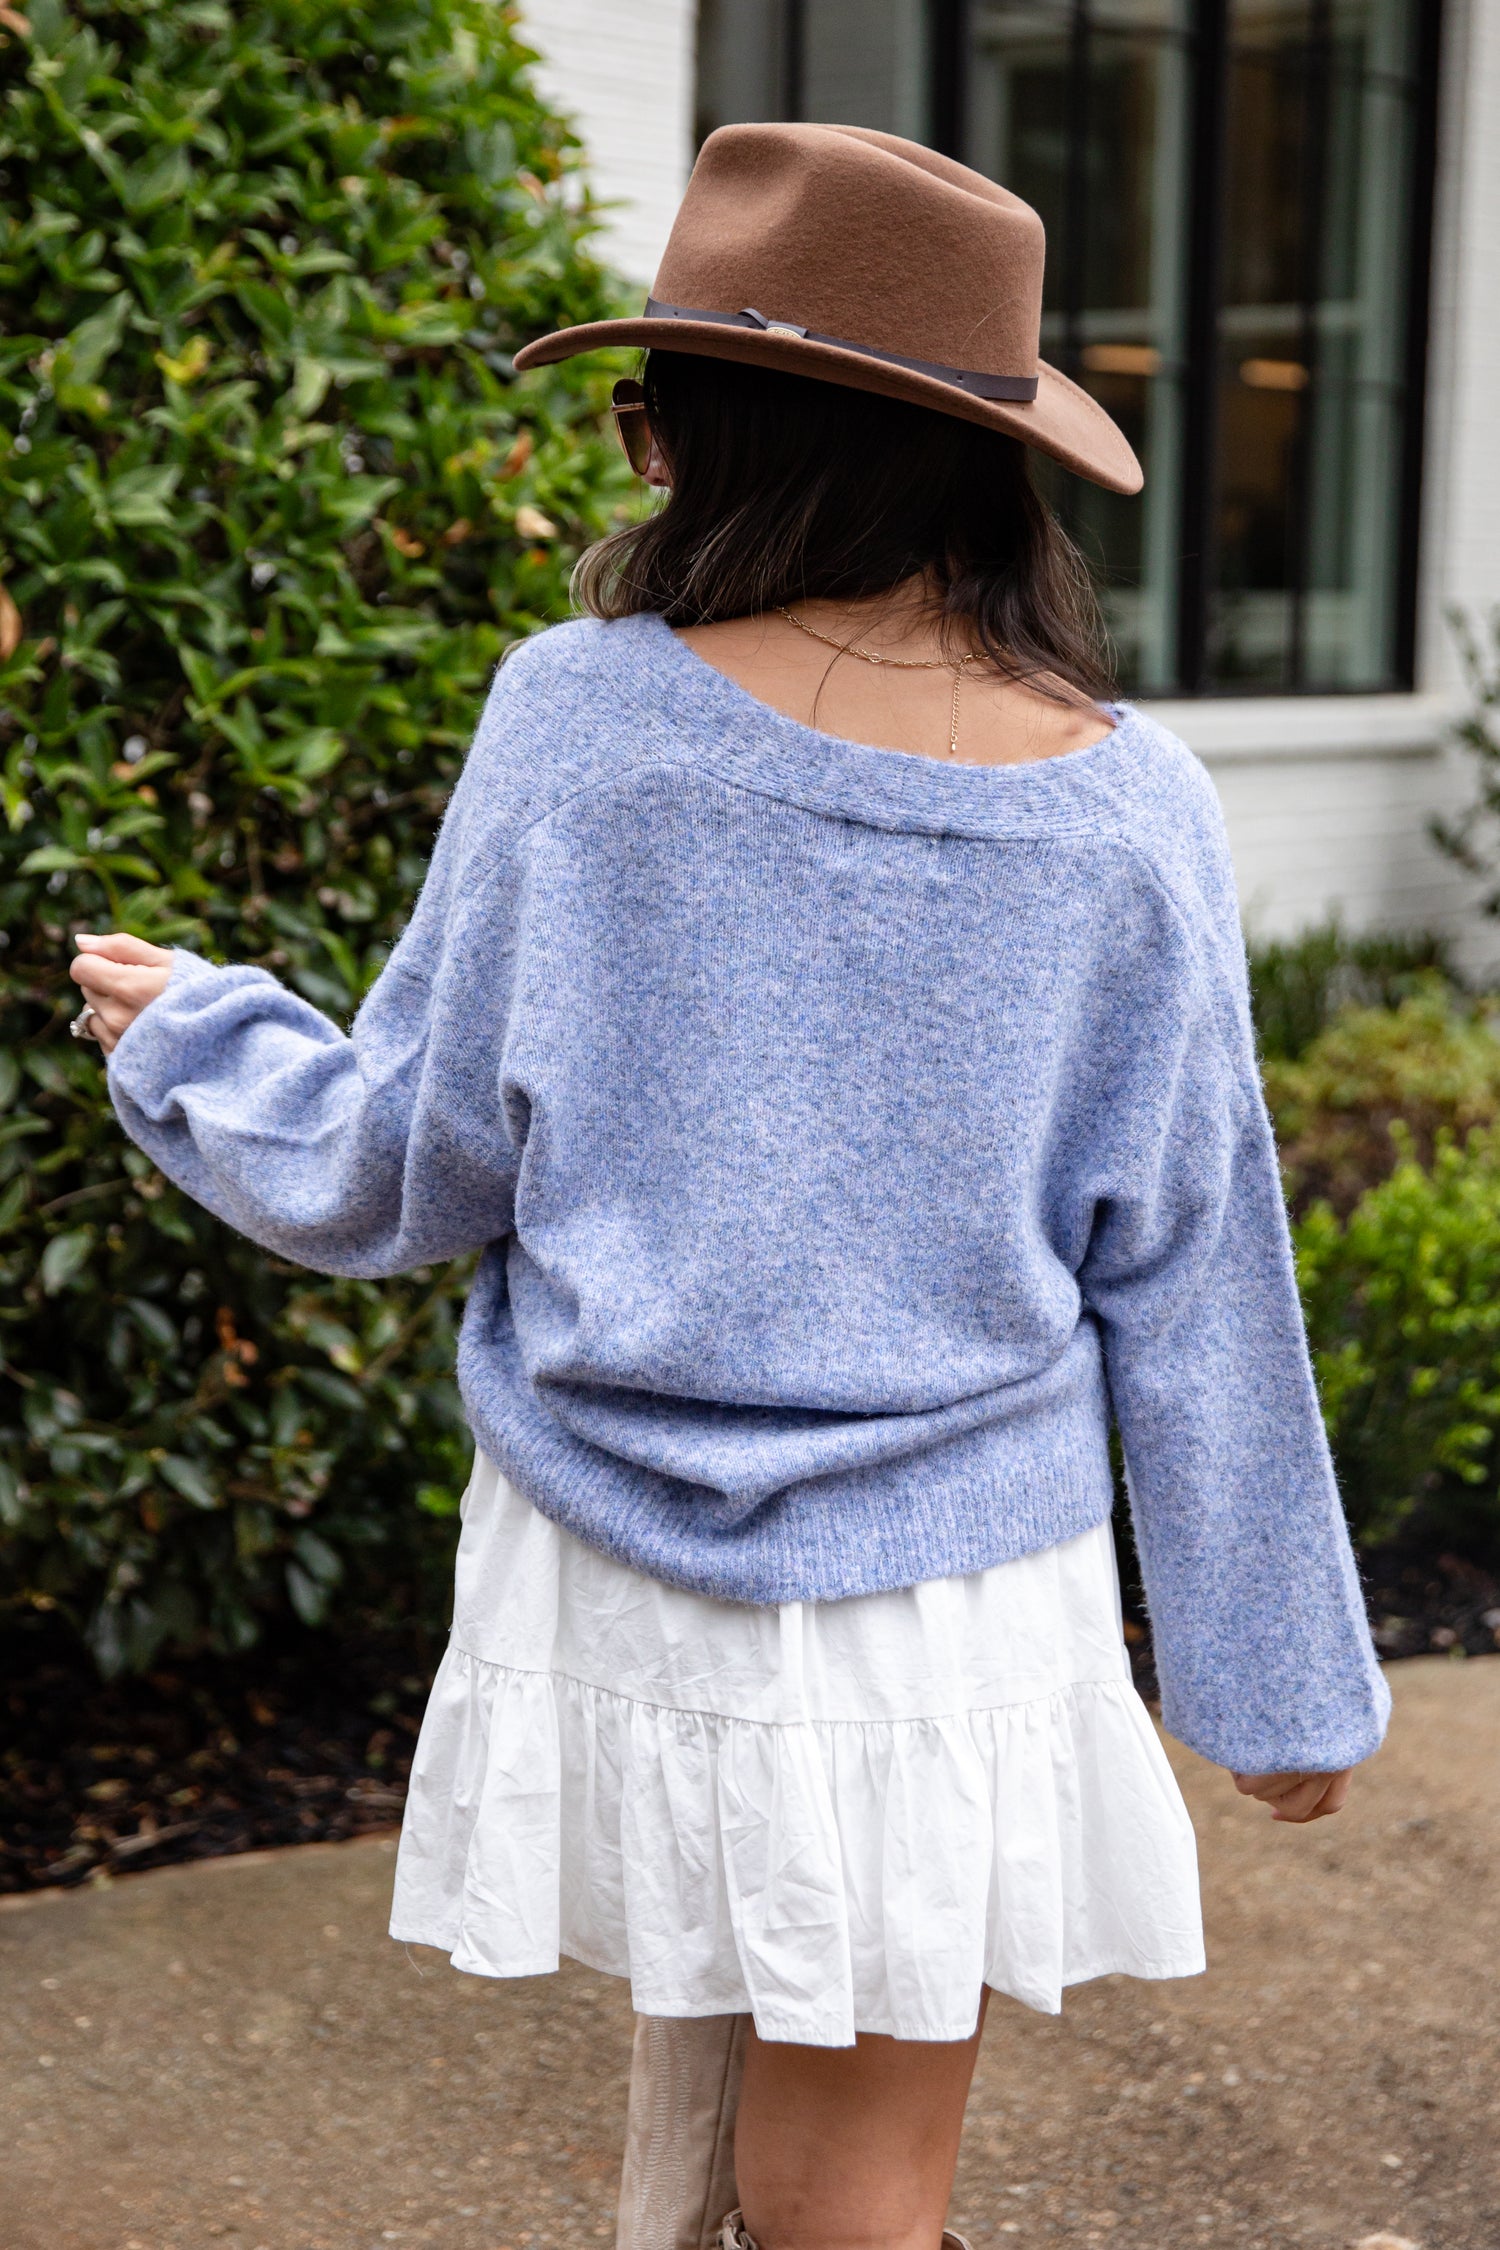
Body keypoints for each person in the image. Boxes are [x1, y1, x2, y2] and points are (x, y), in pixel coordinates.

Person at [71, 123, 1387, 2250]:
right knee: (854, 2193)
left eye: (651, 410)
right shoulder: (1135, 816)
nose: (638, 455)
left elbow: (413, 1164)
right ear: (981, 456)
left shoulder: (580, 727)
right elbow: (1200, 1280)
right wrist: (1279, 1682)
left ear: (729, 433)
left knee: (716, 2135)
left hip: (618, 1566)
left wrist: (204, 1044)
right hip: (943, 1607)